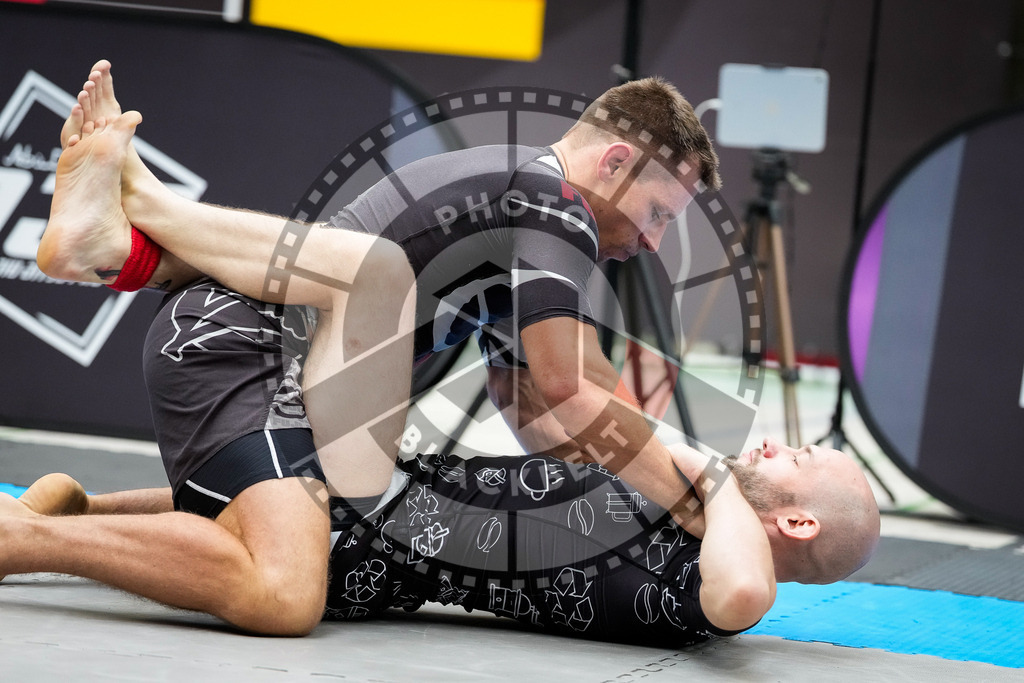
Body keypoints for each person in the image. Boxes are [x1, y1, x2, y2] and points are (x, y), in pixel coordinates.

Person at [10, 60, 877, 636]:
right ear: (614, 164)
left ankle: (127, 271)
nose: (652, 243)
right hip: (245, 354)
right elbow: (574, 397)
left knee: (371, 333)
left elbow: (546, 409)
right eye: (656, 214)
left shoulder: (516, 213)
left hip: (273, 359)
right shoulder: (552, 207)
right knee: (283, 589)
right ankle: (132, 234)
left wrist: (675, 473)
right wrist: (704, 480)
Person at [5, 435, 879, 645]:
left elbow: (740, 597)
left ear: (796, 521)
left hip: (373, 548)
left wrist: (720, 479)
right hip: (385, 484)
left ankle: (34, 537)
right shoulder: (703, 501)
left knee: (297, 508)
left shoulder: (722, 563)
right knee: (313, 477)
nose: (772, 444)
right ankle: (69, 516)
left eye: (795, 457)